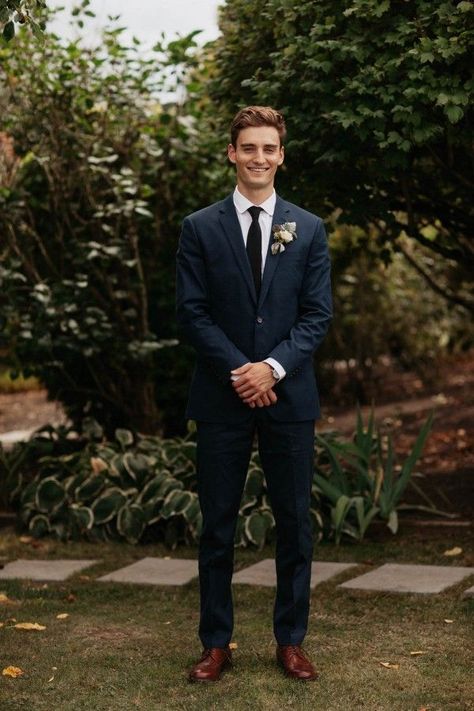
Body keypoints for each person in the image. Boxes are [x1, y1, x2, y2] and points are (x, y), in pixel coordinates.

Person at [176, 106, 332, 682]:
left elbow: (317, 316)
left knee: (294, 522)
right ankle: (216, 643)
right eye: (249, 148)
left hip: (289, 399)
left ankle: (290, 641)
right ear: (231, 153)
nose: (259, 158)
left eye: (269, 148)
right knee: (217, 524)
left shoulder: (308, 228)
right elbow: (191, 315)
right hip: (221, 399)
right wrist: (243, 371)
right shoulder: (199, 227)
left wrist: (271, 368)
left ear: (282, 155)